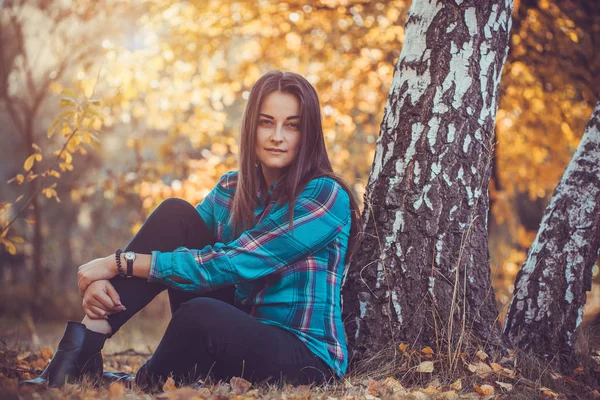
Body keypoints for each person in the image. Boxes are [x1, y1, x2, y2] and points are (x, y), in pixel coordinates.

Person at [21, 70, 362, 391]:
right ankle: (80, 354)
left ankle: (145, 382)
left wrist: (119, 263)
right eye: (266, 123)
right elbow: (172, 240)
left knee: (201, 312)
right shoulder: (232, 187)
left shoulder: (324, 194)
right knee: (175, 214)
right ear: (251, 128)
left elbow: (231, 263)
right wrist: (106, 283)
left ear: (308, 134)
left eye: (292, 126)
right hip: (236, 336)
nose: (277, 136)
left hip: (304, 356)